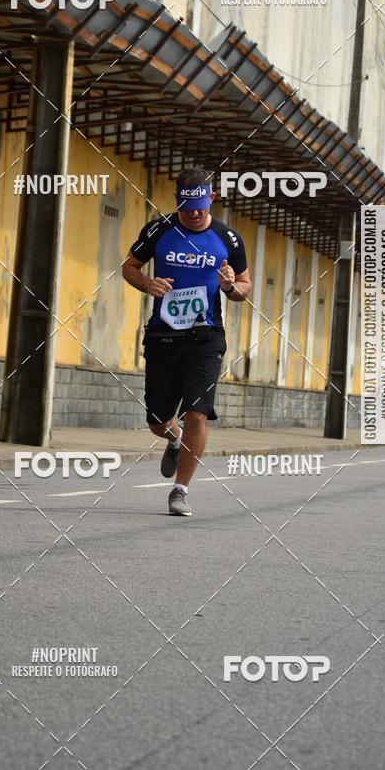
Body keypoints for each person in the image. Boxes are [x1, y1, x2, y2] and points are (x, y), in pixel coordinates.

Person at [122, 168, 251, 516]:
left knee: (197, 413)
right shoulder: (158, 229)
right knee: (157, 421)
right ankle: (174, 437)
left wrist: (229, 288)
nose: (193, 213)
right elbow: (129, 266)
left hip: (205, 338)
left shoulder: (228, 238)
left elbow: (244, 286)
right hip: (163, 336)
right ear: (177, 200)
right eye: (186, 205)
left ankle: (180, 490)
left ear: (211, 199)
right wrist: (147, 284)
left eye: (200, 205)